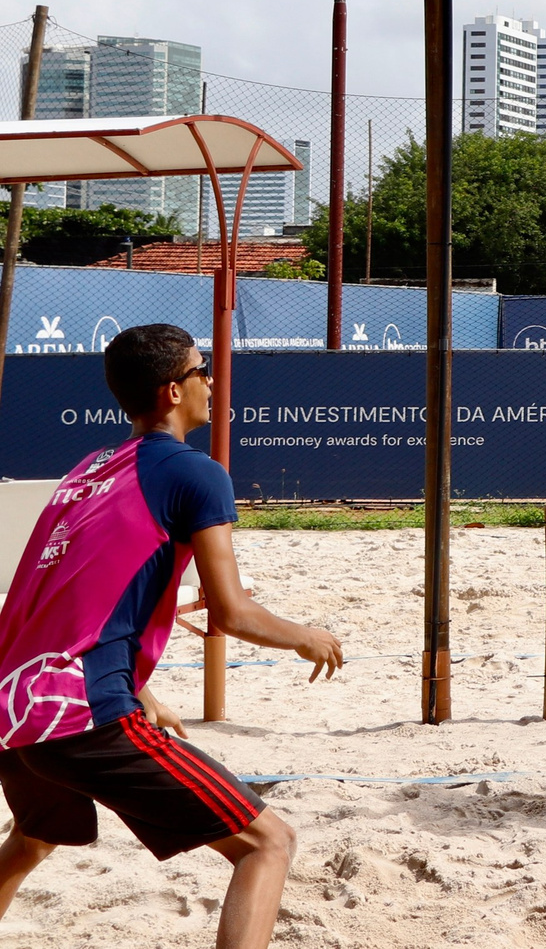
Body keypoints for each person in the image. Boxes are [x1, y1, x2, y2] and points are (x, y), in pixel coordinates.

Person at [0, 324, 345, 947]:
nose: (211, 381)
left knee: (32, 841)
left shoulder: (89, 468)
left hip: (15, 707)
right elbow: (232, 614)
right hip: (84, 714)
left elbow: (60, 594)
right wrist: (305, 636)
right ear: (170, 391)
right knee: (268, 844)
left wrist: (143, 689)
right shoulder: (196, 473)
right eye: (201, 370)